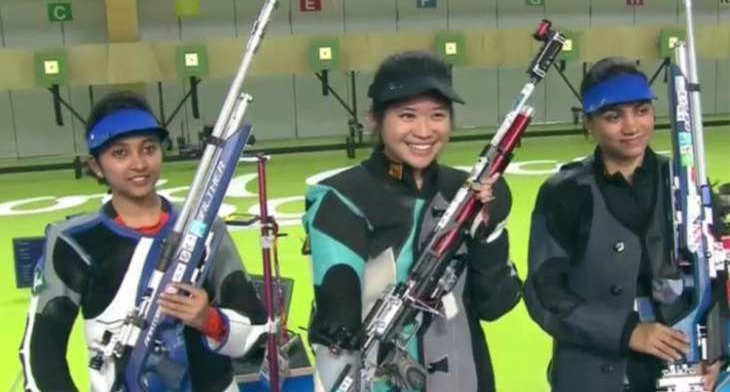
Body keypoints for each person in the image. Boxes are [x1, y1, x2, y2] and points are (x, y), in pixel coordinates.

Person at [302, 51, 522, 392]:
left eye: (437, 115)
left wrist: (487, 231)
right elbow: (337, 328)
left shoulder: (467, 192)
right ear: (376, 118)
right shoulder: (340, 198)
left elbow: (496, 305)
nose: (424, 131)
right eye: (407, 115)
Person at [19, 92, 268, 392]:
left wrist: (210, 320)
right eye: (120, 153)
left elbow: (257, 329)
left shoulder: (206, 229)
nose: (139, 164)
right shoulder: (73, 242)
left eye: (148, 149)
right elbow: (40, 356)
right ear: (96, 166)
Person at [523, 57, 721, 392]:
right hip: (590, 371)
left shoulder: (684, 183)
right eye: (613, 116)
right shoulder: (564, 194)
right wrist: (627, 332)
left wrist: (715, 355)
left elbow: (716, 278)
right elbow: (545, 294)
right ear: (588, 123)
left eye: (641, 111)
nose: (631, 127)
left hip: (682, 366)